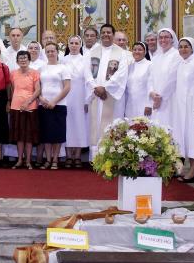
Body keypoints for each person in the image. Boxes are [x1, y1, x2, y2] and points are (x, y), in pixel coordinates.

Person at [85, 24, 129, 158]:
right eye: (103, 32)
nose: (106, 34)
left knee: (111, 125)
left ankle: (109, 158)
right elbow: (87, 72)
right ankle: (95, 159)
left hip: (110, 95)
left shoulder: (121, 53)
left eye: (109, 32)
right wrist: (95, 88)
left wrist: (105, 88)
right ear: (100, 35)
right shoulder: (92, 51)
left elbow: (121, 74)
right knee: (95, 125)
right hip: (96, 94)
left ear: (113, 35)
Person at [174, 37, 194, 183]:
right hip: (181, 106)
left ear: (192, 48)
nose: (183, 49)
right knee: (185, 138)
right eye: (181, 46)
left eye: (186, 46)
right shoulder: (179, 63)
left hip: (193, 106)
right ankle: (192, 169)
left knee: (193, 139)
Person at [38, 43, 70, 170]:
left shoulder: (63, 68)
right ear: (45, 53)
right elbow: (37, 87)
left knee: (57, 133)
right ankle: (48, 159)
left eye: (53, 51)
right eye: (48, 51)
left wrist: (54, 101)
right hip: (44, 105)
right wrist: (41, 98)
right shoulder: (41, 68)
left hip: (59, 104)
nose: (51, 53)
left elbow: (67, 87)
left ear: (57, 52)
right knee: (46, 133)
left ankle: (55, 159)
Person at [9, 51, 41, 169]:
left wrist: (28, 101)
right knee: (19, 136)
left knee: (28, 136)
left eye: (25, 58)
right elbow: (12, 89)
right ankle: (19, 160)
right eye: (20, 58)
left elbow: (37, 90)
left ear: (29, 60)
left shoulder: (35, 73)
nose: (23, 60)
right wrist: (10, 101)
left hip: (30, 107)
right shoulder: (13, 74)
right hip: (16, 107)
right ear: (17, 61)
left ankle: (28, 161)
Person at [146, 28, 182, 130]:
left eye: (166, 37)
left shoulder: (176, 55)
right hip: (155, 99)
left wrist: (160, 98)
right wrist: (151, 92)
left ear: (172, 39)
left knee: (169, 127)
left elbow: (172, 79)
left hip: (169, 99)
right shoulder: (156, 57)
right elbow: (150, 78)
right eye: (160, 38)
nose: (163, 40)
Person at [61, 35, 88, 168]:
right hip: (66, 97)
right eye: (71, 43)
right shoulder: (62, 60)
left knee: (79, 125)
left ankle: (77, 156)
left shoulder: (85, 60)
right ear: (68, 44)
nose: (74, 45)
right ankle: (68, 156)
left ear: (80, 45)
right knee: (67, 125)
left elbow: (88, 81)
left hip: (80, 96)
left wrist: (87, 100)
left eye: (77, 43)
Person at [124, 41, 151, 120]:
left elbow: (152, 86)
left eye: (140, 50)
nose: (137, 52)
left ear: (145, 52)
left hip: (144, 105)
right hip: (130, 105)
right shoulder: (130, 66)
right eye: (134, 50)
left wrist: (149, 105)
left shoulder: (149, 65)